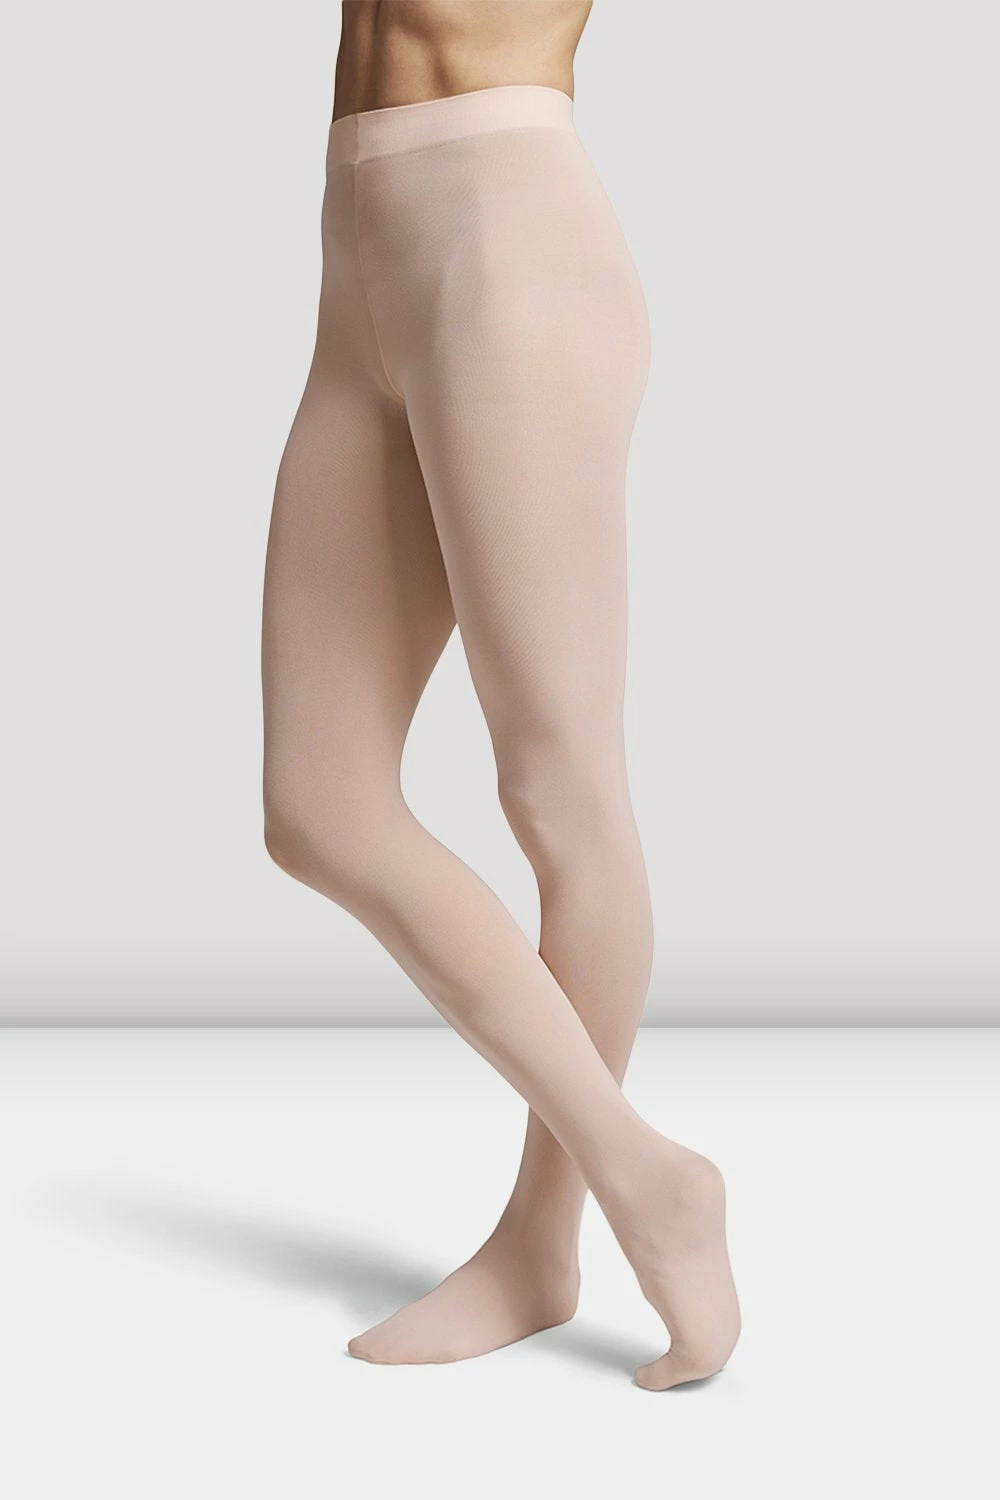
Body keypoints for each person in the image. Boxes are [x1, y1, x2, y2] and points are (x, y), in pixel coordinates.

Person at [261, 0, 740, 1391]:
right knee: (316, 806)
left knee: (558, 787)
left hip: (506, 235)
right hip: (360, 254)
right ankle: (631, 1172)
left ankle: (560, 1232)